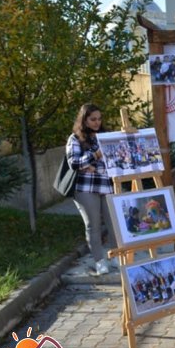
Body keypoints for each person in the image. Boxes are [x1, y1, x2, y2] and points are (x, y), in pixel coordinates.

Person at [66, 103, 115, 276]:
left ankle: (117, 257)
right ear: (84, 120)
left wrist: (92, 165)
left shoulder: (106, 136)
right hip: (85, 187)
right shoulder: (75, 138)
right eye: (93, 119)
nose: (97, 122)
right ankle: (99, 262)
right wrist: (95, 155)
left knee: (114, 224)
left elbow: (115, 159)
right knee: (93, 225)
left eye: (99, 119)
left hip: (106, 185)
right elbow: (74, 163)